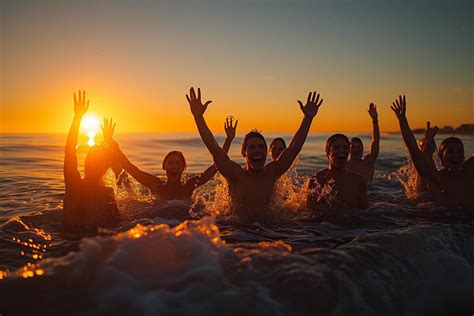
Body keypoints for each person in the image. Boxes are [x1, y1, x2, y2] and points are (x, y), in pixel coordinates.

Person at [187, 87, 323, 221]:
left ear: (265, 151)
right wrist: (199, 118)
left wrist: (307, 118)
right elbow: (214, 148)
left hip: (269, 231)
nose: (257, 150)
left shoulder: (272, 172)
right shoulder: (235, 174)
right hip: (239, 231)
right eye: (251, 147)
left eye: (260, 147)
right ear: (244, 153)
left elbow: (294, 148)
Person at [102, 116, 237, 202]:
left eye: (178, 163)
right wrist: (110, 142)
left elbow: (216, 167)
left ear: (183, 168)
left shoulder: (188, 186)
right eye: (170, 163)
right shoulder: (156, 186)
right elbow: (129, 167)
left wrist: (228, 140)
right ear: (164, 167)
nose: (174, 166)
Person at [391, 95, 474, 209]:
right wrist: (402, 120)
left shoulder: (469, 172)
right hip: (443, 224)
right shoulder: (437, 178)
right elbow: (414, 149)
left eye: (460, 151)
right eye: (450, 151)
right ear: (441, 156)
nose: (456, 155)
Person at [63, 91, 119, 231]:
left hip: (82, 242)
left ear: (106, 168)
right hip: (75, 241)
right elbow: (69, 150)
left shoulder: (107, 193)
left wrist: (109, 141)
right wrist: (77, 118)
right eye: (90, 160)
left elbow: (116, 223)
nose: (92, 165)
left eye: (97, 162)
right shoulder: (74, 185)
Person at [307, 134, 368, 212]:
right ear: (328, 152)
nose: (342, 150)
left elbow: (365, 212)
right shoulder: (316, 180)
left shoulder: (359, 180)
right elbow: (310, 213)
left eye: (345, 147)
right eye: (336, 147)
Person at [347, 103, 380, 182]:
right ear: (348, 150)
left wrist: (374, 119)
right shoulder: (344, 166)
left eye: (358, 147)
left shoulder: (368, 163)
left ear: (362, 149)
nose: (356, 149)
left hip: (371, 192)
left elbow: (376, 141)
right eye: (353, 147)